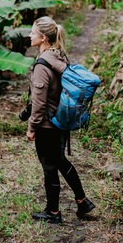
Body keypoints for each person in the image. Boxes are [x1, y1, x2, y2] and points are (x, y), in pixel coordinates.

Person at [27, 16, 95, 224]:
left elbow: (38, 105)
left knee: (49, 166)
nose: (29, 36)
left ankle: (53, 213)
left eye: (33, 33)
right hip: (60, 121)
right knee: (61, 161)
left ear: (44, 38)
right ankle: (82, 201)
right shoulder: (59, 57)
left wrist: (32, 128)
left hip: (47, 125)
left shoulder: (41, 66)